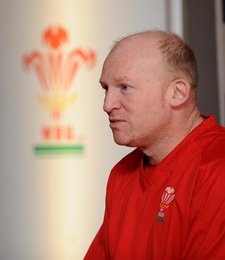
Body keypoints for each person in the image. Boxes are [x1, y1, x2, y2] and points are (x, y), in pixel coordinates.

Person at [84, 30, 225, 259]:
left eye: (124, 87)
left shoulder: (217, 169)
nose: (107, 104)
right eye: (105, 89)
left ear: (177, 93)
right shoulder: (121, 175)